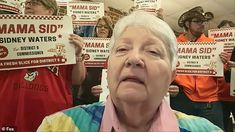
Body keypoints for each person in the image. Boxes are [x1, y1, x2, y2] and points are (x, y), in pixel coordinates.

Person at [37, 11, 222, 132]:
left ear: (172, 76)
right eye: (122, 49)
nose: (133, 58)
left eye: (152, 51)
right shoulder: (58, 127)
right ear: (108, 67)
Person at [0, 0, 86, 131]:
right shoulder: (6, 32)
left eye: (35, 2)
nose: (28, 5)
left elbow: (77, 80)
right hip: (12, 110)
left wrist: (78, 55)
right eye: (27, 3)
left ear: (50, 11)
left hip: (50, 112)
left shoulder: (66, 37)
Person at [170, 6, 226, 130]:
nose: (202, 25)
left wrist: (223, 63)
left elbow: (221, 74)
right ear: (187, 24)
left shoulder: (213, 44)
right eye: (198, 21)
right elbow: (166, 67)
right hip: (182, 98)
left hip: (210, 101)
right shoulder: (174, 43)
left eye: (204, 22)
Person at [74, 16, 113, 105]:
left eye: (106, 27)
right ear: (95, 29)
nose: (102, 28)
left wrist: (106, 88)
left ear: (110, 30)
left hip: (104, 97)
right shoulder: (85, 46)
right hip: (84, 95)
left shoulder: (114, 49)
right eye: (100, 26)